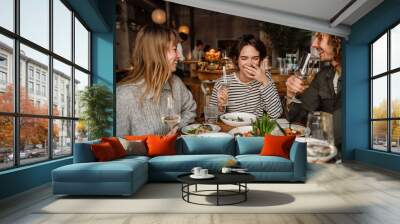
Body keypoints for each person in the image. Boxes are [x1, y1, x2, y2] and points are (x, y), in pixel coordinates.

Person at [117, 25, 197, 136]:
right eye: (174, 49)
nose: (179, 56)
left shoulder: (176, 83)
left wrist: (177, 129)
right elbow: (120, 145)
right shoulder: (125, 96)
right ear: (156, 53)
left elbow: (190, 109)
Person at [285, 32, 342, 151]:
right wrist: (290, 94)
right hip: (324, 150)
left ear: (338, 41)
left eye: (320, 37)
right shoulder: (323, 75)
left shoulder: (358, 74)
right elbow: (295, 116)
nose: (314, 44)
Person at [209, 34, 282, 119]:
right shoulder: (222, 82)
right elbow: (211, 117)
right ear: (236, 59)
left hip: (255, 131)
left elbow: (276, 114)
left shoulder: (265, 78)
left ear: (260, 60)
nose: (249, 64)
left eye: (255, 58)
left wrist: (264, 81)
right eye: (244, 58)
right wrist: (220, 106)